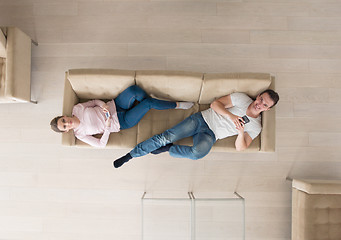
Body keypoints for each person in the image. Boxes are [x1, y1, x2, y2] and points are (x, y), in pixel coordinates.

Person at [114, 89, 279, 168]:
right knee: (165, 136)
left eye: (265, 105)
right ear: (258, 96)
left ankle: (169, 149)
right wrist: (232, 116)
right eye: (261, 99)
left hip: (211, 135)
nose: (260, 104)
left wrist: (241, 131)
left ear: (268, 109)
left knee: (197, 153)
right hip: (202, 119)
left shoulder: (256, 127)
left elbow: (240, 147)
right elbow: (215, 104)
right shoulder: (241, 98)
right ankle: (131, 155)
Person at [50, 85, 194, 148]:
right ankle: (178, 105)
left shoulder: (77, 108)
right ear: (66, 131)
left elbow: (94, 101)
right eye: (64, 126)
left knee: (134, 90)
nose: (67, 123)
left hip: (116, 105)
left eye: (63, 120)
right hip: (122, 122)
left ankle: (153, 101)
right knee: (149, 103)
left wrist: (102, 105)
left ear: (63, 116)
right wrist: (107, 128)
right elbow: (100, 145)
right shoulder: (80, 134)